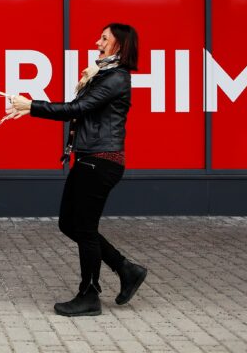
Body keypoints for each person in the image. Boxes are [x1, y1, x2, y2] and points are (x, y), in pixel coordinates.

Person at [9, 23, 147, 317]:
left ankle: (89, 295)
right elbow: (79, 107)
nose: (97, 42)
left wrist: (32, 105)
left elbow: (75, 109)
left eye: (104, 38)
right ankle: (126, 269)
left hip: (102, 161)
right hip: (89, 159)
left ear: (119, 46)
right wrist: (32, 108)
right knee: (69, 224)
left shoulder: (117, 78)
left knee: (83, 228)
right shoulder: (104, 76)